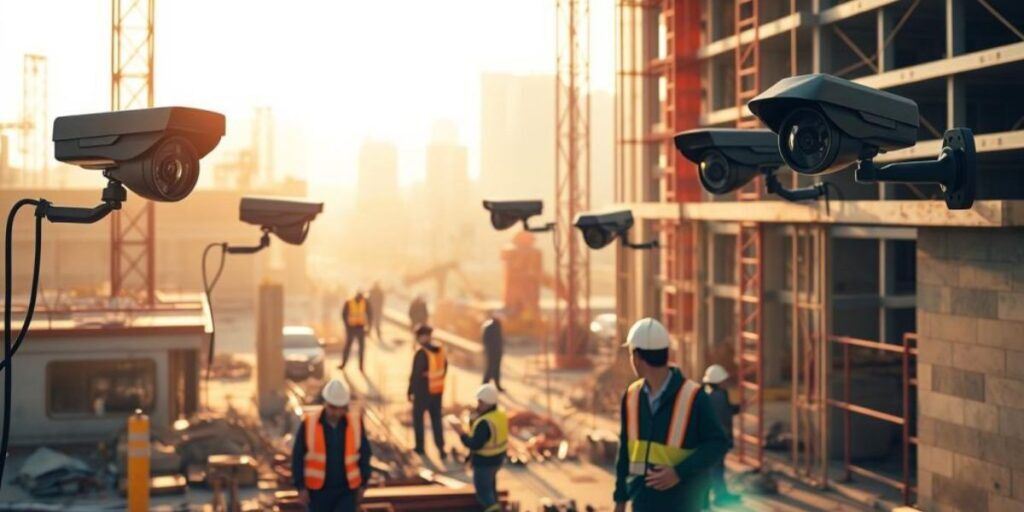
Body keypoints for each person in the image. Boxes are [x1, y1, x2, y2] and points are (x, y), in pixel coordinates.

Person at [612, 318, 728, 512]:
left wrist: (678, 472)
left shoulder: (693, 396)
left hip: (684, 504)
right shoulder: (632, 396)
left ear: (637, 357)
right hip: (643, 503)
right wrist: (620, 499)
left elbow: (718, 443)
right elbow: (624, 449)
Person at [292, 379, 372, 512]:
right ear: (325, 403)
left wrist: (363, 484)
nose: (337, 412)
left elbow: (365, 454)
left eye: (341, 408)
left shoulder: (355, 423)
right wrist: (300, 487)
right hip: (318, 492)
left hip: (346, 490)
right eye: (333, 407)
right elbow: (297, 457)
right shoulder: (309, 423)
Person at [453, 383, 507, 512]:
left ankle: (493, 509)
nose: (478, 405)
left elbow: (474, 444)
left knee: (483, 493)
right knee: (491, 488)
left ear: (487, 403)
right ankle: (495, 505)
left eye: (480, 402)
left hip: (484, 462)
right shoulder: (500, 415)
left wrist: (460, 432)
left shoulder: (484, 422)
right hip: (497, 460)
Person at [702, 364, 741, 506]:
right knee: (716, 469)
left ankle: (716, 496)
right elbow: (724, 418)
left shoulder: (708, 394)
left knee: (714, 469)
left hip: (710, 440)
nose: (726, 383)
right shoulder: (719, 396)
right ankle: (719, 497)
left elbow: (726, 411)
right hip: (717, 440)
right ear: (718, 382)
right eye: (724, 380)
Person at [407, 323, 447, 459]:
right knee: (436, 420)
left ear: (423, 337)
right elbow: (444, 369)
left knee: (418, 420)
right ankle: (441, 448)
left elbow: (415, 375)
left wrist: (410, 391)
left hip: (423, 393)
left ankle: (420, 448)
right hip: (437, 391)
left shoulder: (421, 353)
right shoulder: (441, 350)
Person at [340, 291, 373, 372]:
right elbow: (344, 314)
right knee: (348, 347)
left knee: (361, 348)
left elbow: (370, 314)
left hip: (360, 328)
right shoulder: (349, 302)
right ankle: (343, 364)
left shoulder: (365, 303)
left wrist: (369, 327)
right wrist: (347, 326)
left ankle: (361, 367)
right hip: (351, 328)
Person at [481, 312, 505, 392]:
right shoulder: (489, 326)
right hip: (491, 352)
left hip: (498, 351)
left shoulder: (498, 326)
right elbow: (485, 340)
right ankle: (484, 386)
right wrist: (489, 350)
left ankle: (497, 386)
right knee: (489, 369)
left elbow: (499, 339)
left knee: (497, 370)